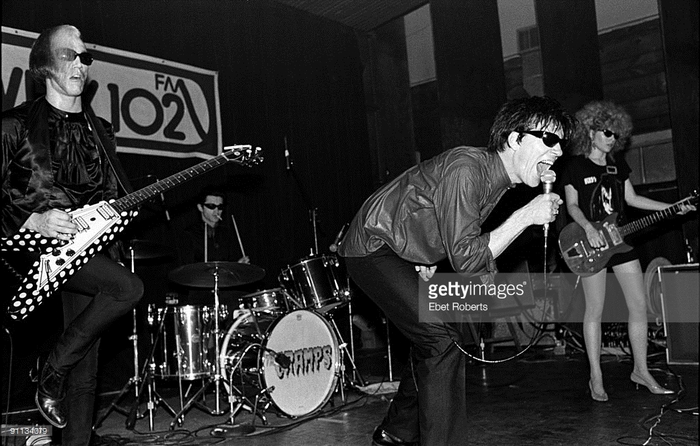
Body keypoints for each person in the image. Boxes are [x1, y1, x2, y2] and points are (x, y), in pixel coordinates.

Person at [338, 96, 575, 445]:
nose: (557, 152)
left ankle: (396, 432)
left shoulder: (496, 181)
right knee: (441, 340)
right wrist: (525, 216)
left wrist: (465, 278)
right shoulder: (468, 168)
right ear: (514, 138)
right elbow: (465, 256)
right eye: (549, 139)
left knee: (437, 339)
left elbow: (454, 232)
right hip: (373, 246)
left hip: (401, 252)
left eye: (562, 144)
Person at [1, 25, 144, 445]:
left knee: (87, 369)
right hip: (31, 249)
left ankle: (73, 429)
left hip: (88, 248)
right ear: (44, 65)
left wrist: (121, 211)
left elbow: (114, 195)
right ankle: (52, 366)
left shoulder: (101, 131)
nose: (81, 64)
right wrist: (32, 221)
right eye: (69, 55)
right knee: (128, 288)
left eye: (85, 57)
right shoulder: (13, 125)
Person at [561, 100, 694, 402]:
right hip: (590, 244)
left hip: (620, 241)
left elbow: (632, 199)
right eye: (607, 132)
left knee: (638, 305)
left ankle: (641, 371)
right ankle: (596, 376)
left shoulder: (616, 164)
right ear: (591, 131)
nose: (612, 138)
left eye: (616, 134)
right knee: (595, 309)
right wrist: (589, 228)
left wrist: (673, 207)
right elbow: (572, 205)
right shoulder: (574, 166)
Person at [178, 186, 250, 266]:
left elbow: (230, 265)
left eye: (220, 207)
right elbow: (186, 268)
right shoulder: (189, 235)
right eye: (211, 206)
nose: (216, 211)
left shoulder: (227, 233)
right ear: (200, 207)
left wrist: (238, 265)